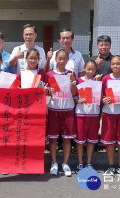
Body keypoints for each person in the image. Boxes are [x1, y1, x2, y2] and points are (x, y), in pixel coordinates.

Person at [46, 49, 77, 177]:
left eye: (64, 58)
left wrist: (73, 81)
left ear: (67, 60)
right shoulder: (49, 74)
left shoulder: (71, 73)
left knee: (67, 139)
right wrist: (48, 90)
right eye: (59, 58)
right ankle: (54, 162)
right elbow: (46, 92)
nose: (61, 61)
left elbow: (74, 93)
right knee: (53, 139)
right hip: (54, 109)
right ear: (55, 59)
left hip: (68, 109)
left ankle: (65, 163)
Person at [74, 60, 101, 172]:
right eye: (88, 69)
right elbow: (74, 96)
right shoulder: (78, 81)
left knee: (91, 141)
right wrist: (78, 101)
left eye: (93, 69)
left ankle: (89, 162)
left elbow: (103, 96)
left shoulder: (98, 81)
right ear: (84, 68)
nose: (90, 71)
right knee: (80, 141)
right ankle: (80, 162)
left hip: (94, 114)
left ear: (96, 70)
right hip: (81, 114)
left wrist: (98, 83)